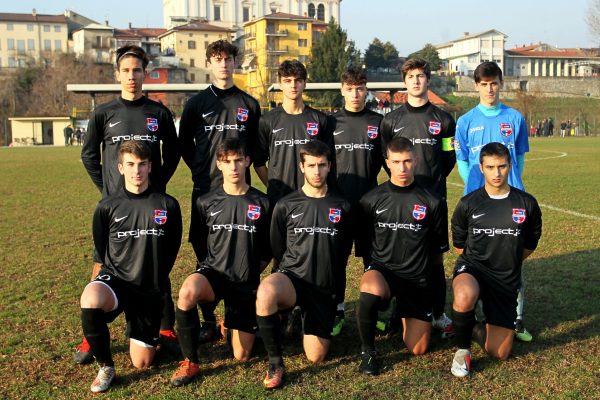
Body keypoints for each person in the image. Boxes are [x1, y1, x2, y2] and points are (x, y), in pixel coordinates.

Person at [77, 45, 181, 364]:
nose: (132, 76)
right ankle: (89, 336)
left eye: (138, 70)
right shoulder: (103, 113)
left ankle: (165, 330)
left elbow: (173, 152)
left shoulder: (158, 113)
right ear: (117, 74)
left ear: (145, 74)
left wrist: (157, 185)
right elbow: (89, 155)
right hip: (117, 207)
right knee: (102, 261)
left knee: (156, 263)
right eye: (126, 70)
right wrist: (108, 190)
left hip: (150, 203)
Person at [79, 140, 182, 393]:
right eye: (131, 164)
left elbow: (172, 248)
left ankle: (146, 333)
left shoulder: (167, 205)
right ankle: (106, 367)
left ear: (150, 167)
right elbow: (102, 248)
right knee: (90, 298)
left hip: (148, 290)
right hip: (116, 282)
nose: (137, 171)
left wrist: (155, 281)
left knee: (142, 363)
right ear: (120, 168)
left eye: (142, 164)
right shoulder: (107, 207)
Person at [170, 138, 272, 386]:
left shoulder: (263, 203)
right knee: (187, 292)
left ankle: (231, 322)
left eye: (238, 160)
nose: (234, 167)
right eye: (227, 162)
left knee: (242, 354)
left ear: (248, 161)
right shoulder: (205, 202)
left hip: (244, 282)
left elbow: (269, 249)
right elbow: (200, 242)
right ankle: (190, 361)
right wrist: (210, 267)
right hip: (214, 275)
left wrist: (251, 271)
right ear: (219, 164)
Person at [179, 40, 261, 339]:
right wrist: (201, 168)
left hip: (240, 192)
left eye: (228, 59)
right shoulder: (197, 104)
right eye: (217, 59)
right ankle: (210, 320)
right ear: (209, 64)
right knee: (204, 252)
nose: (223, 64)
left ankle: (237, 312)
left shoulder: (249, 104)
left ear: (235, 63)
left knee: (241, 253)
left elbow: (254, 148)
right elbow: (184, 143)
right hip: (206, 189)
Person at [255, 140, 351, 389]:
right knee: (266, 292)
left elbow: (343, 252)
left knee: (316, 356)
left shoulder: (343, 206)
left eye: (321, 165)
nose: (316, 172)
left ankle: (300, 318)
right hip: (293, 278)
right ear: (302, 167)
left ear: (330, 166)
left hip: (323, 287)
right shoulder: (286, 205)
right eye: (311, 165)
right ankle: (275, 362)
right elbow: (278, 247)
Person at [355, 137, 448, 375]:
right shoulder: (370, 200)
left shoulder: (433, 201)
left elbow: (437, 256)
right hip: (385, 273)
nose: (402, 168)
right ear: (387, 163)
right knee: (369, 289)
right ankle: (368, 352)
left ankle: (402, 313)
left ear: (415, 160)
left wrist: (437, 306)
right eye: (396, 162)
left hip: (417, 279)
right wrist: (373, 275)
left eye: (407, 161)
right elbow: (366, 248)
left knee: (418, 349)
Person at [454, 61, 532, 342]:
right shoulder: (465, 122)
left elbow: (520, 157)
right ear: (476, 85)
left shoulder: (515, 118)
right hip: (478, 202)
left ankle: (516, 318)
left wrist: (511, 188)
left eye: (494, 83)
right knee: (476, 256)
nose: (489, 89)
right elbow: (462, 160)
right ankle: (471, 315)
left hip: (510, 201)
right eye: (484, 84)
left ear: (501, 83)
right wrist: (475, 188)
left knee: (513, 260)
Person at [449, 142, 542, 378]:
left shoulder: (526, 203)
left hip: (505, 278)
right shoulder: (469, 203)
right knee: (464, 294)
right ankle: (462, 350)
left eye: (501, 166)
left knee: (500, 352)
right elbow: (460, 245)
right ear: (481, 168)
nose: (497, 173)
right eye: (490, 167)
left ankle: (470, 326)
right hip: (474, 268)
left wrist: (506, 263)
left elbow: (529, 244)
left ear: (510, 165)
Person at [381, 58, 457, 338]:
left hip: (433, 199)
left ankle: (438, 314)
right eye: (411, 76)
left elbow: (448, 158)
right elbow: (385, 157)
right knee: (400, 257)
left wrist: (431, 183)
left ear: (428, 80)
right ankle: (397, 313)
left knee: (435, 259)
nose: (416, 80)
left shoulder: (444, 120)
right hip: (400, 201)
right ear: (404, 81)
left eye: (421, 76)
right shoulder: (391, 121)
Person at [328, 66, 383, 336]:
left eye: (360, 88)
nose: (355, 94)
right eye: (350, 89)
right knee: (337, 260)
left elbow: (390, 163)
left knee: (373, 260)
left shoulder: (378, 122)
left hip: (369, 206)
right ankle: (337, 310)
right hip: (338, 206)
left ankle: (374, 311)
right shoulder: (331, 123)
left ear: (366, 90)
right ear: (342, 90)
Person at [254, 59, 332, 204]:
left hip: (312, 198)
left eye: (298, 80)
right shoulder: (267, 120)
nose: (293, 85)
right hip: (279, 199)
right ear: (280, 84)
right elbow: (258, 163)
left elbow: (328, 162)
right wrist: (273, 187)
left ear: (304, 83)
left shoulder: (320, 119)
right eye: (287, 80)